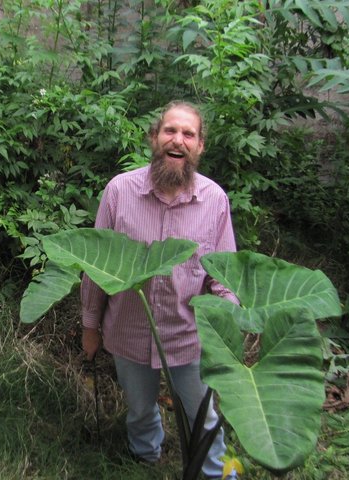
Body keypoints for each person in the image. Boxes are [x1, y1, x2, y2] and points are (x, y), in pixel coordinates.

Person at [81, 101, 237, 479]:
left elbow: (225, 276)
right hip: (129, 331)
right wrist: (90, 326)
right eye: (170, 130)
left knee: (203, 412)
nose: (178, 140)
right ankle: (144, 457)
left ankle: (217, 473)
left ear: (200, 146)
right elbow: (95, 267)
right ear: (154, 138)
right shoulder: (120, 191)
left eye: (188, 134)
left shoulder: (214, 200)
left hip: (189, 337)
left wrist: (227, 325)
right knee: (138, 407)